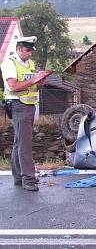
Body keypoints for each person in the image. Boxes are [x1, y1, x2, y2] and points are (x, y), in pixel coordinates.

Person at [1, 36, 48, 191]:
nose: (30, 54)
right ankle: (29, 179)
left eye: (31, 51)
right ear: (19, 49)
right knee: (25, 145)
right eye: (28, 50)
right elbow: (13, 86)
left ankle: (19, 177)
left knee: (19, 142)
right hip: (18, 105)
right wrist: (34, 79)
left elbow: (31, 85)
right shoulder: (9, 63)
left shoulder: (29, 63)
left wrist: (39, 83)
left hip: (28, 105)